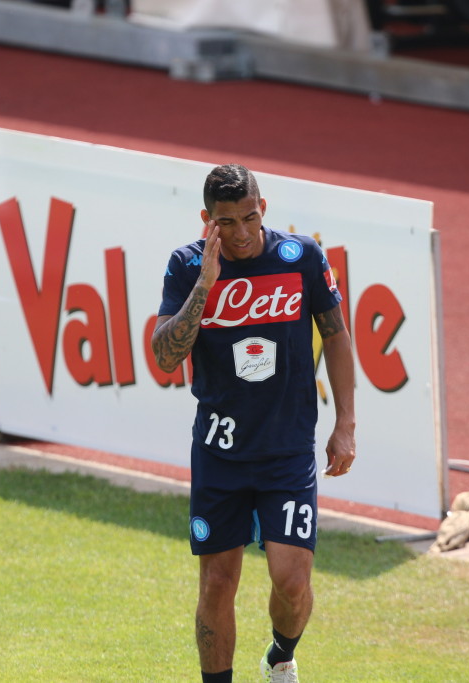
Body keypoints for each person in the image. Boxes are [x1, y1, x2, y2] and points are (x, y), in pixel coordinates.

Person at [151, 164, 356, 683]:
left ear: (263, 208)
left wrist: (345, 424)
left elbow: (335, 334)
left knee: (291, 580)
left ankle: (280, 654)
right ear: (207, 220)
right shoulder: (186, 265)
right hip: (219, 455)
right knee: (218, 583)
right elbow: (166, 356)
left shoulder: (301, 257)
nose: (241, 232)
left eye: (250, 217)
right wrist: (206, 285)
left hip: (286, 452)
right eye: (228, 222)